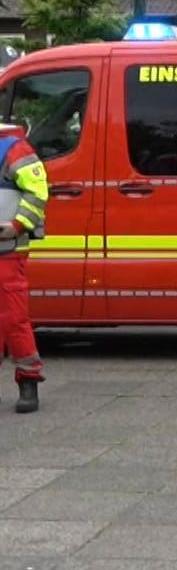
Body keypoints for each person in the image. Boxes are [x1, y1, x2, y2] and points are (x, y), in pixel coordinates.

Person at [0, 125, 49, 412]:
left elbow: (38, 190)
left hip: (7, 249)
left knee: (14, 319)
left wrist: (17, 226)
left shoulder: (12, 147)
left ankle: (28, 381)